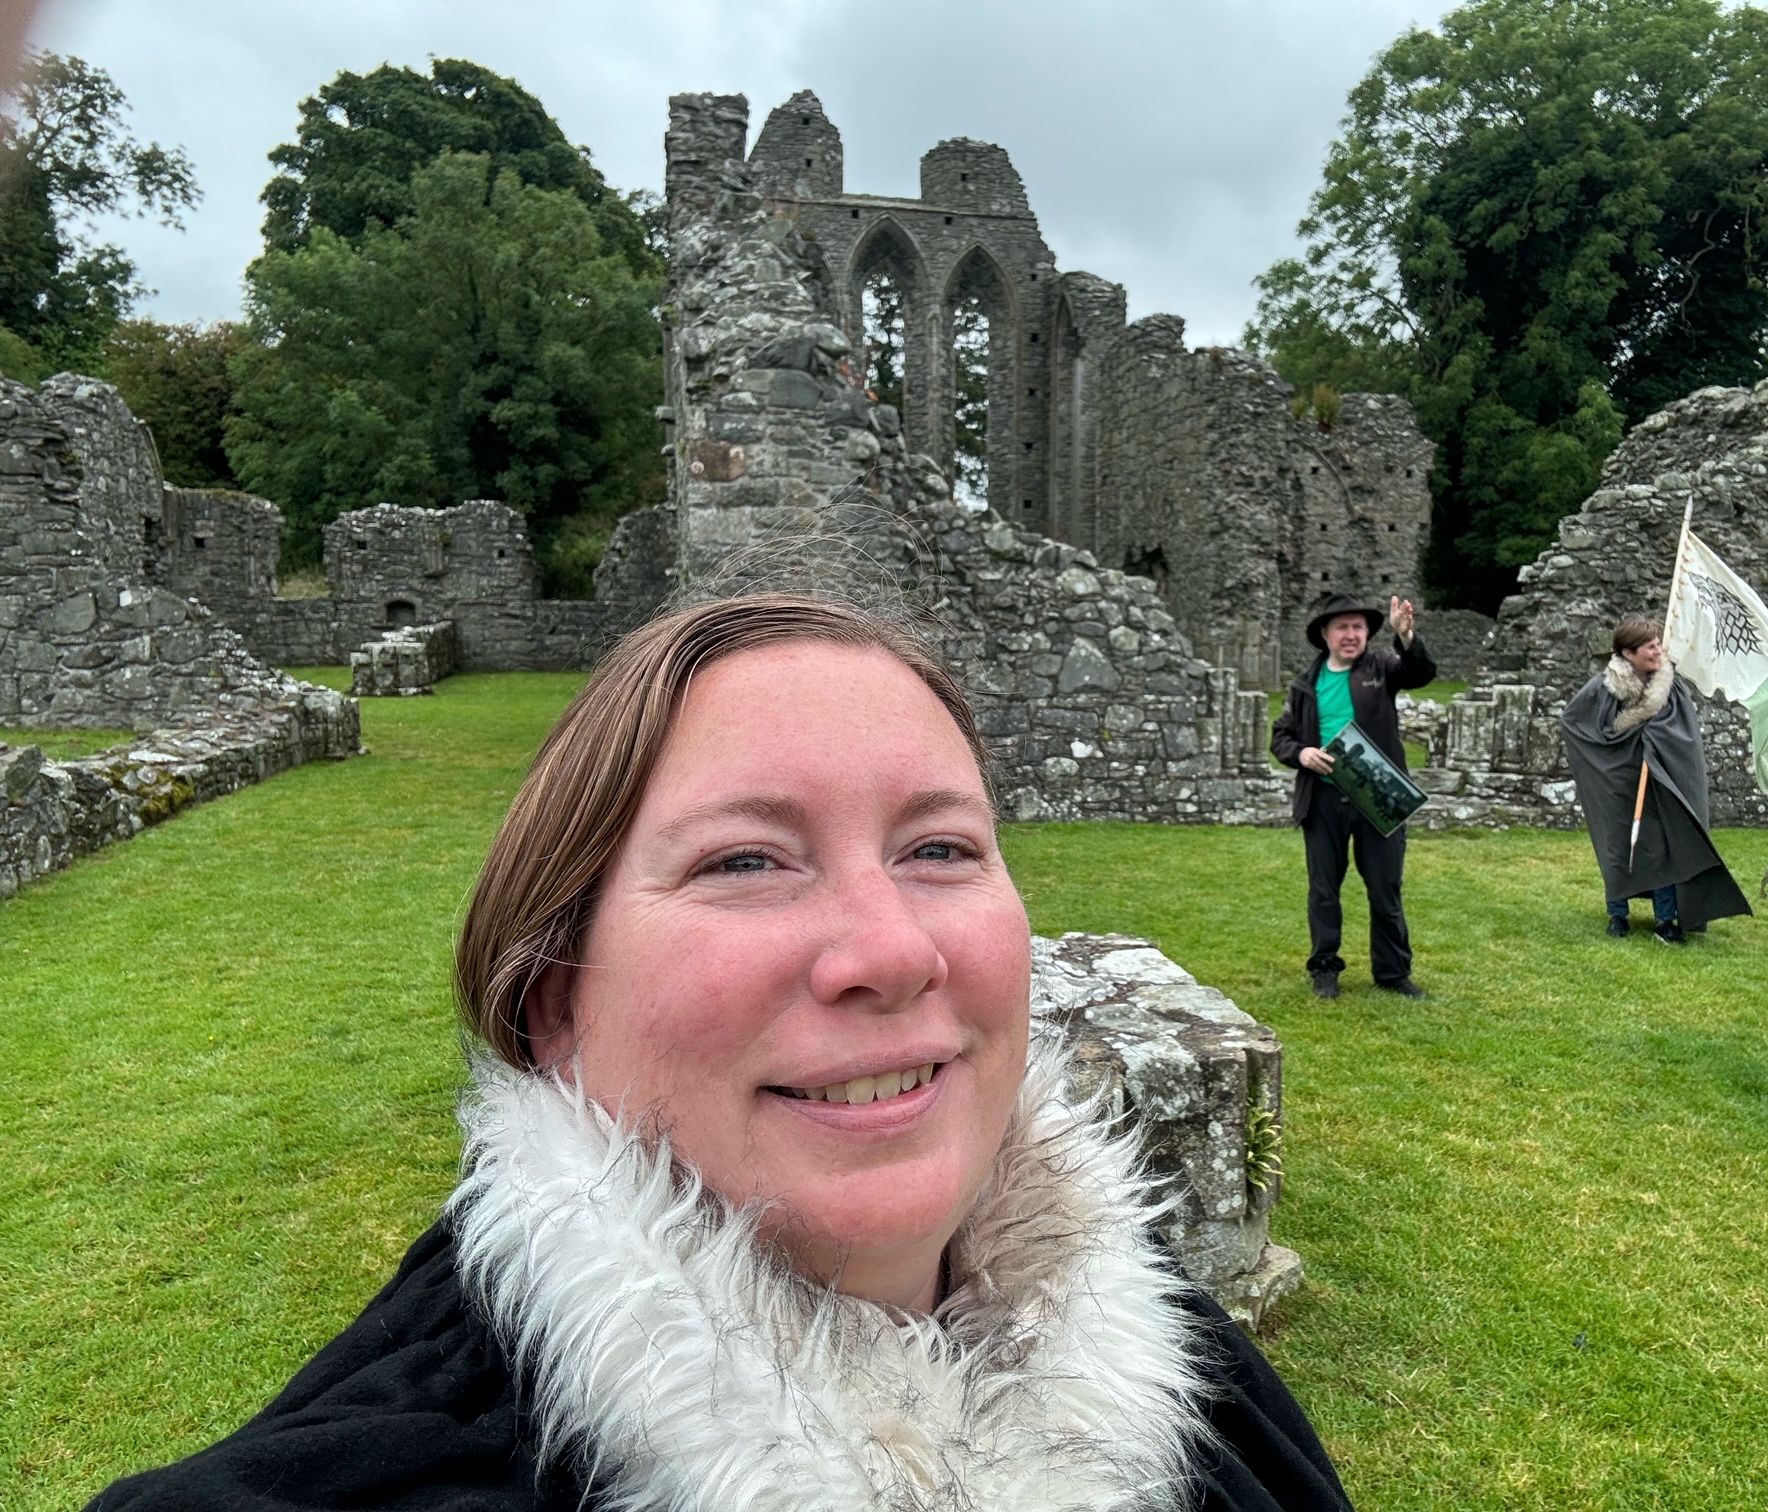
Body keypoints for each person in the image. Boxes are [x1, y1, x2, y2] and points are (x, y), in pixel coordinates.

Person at [90, 594, 1350, 1512]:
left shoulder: (1193, 1373)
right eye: (745, 859)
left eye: (941, 847)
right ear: (554, 1004)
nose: (890, 951)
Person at [1271, 592, 1435, 1000]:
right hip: (1324, 800)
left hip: (1378, 795)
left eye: (1358, 627)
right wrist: (1302, 753)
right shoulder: (1305, 685)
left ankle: (1393, 973)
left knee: (1385, 887)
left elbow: (1420, 673)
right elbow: (1282, 738)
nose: (1351, 634)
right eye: (1342, 627)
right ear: (1325, 634)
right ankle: (1325, 968)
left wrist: (1406, 636)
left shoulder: (1381, 668)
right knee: (1324, 890)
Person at [1560, 617, 1751, 944]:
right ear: (1627, 653)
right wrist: (1616, 751)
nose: (1658, 651)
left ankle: (1665, 919)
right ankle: (1617, 914)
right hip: (1617, 785)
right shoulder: (1603, 687)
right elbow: (1575, 725)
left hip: (1659, 780)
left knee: (1661, 848)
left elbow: (1684, 736)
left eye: (1658, 643)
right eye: (1650, 646)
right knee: (1618, 846)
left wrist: (1657, 739)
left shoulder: (1670, 688)